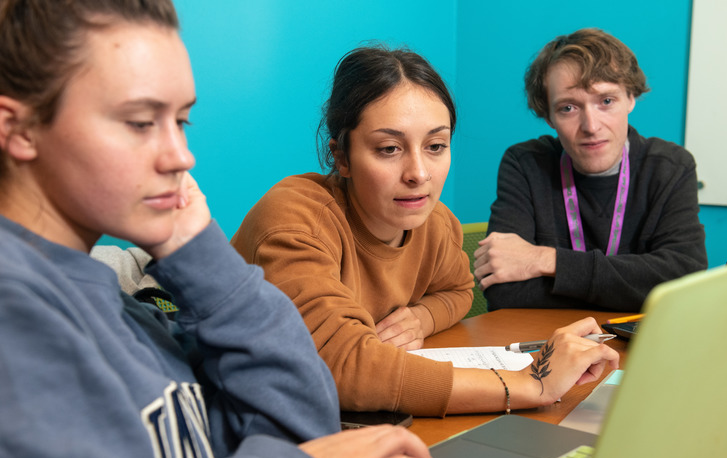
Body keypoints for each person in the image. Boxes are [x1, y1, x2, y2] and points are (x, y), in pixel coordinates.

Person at [0, 1, 436, 458]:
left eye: (180, 121)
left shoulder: (123, 307)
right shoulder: (15, 308)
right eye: (141, 122)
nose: (180, 155)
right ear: (18, 130)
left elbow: (303, 429)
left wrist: (198, 253)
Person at [232, 46, 620, 417]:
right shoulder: (295, 221)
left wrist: (422, 318)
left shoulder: (436, 224)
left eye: (435, 146)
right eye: (389, 149)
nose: (418, 174)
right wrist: (527, 385)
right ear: (341, 157)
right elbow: (342, 366)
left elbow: (457, 290)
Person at [474, 28, 707, 312]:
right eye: (568, 108)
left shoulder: (671, 167)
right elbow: (505, 293)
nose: (591, 126)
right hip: (552, 344)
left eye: (606, 101)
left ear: (630, 98)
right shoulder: (525, 165)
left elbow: (685, 282)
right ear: (548, 117)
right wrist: (630, 286)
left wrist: (545, 261)